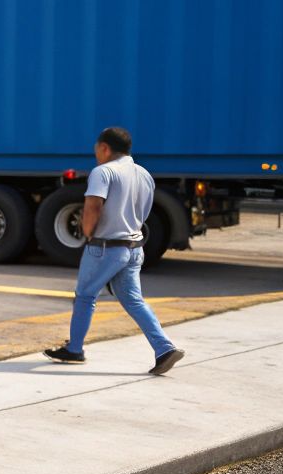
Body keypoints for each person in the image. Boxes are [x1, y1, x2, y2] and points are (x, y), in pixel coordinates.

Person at [44, 126, 185, 375]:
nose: (96, 155)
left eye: (97, 150)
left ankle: (75, 349)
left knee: (86, 296)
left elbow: (93, 206)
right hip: (133, 248)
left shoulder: (103, 172)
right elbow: (143, 213)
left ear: (104, 148)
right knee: (133, 299)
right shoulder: (144, 174)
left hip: (106, 247)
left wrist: (88, 233)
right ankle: (164, 347)